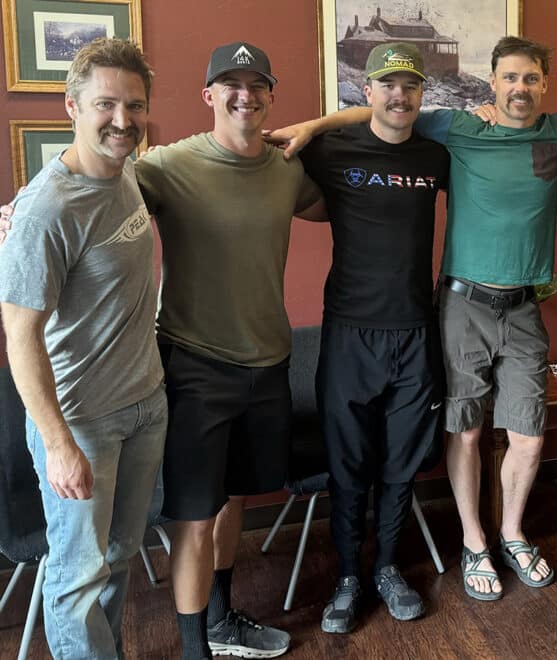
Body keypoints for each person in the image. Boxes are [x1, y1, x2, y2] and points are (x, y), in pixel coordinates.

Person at [266, 35, 557, 601]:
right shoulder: (458, 127)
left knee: (529, 438)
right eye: (509, 78)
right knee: (464, 432)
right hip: (462, 305)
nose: (520, 88)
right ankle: (474, 543)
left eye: (530, 78)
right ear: (492, 82)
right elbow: (385, 106)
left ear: (544, 84)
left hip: (524, 309)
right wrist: (313, 128)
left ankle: (511, 533)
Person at [135, 42, 325, 659]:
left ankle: (220, 619)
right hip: (194, 365)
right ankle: (195, 649)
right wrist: (23, 209)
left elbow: (345, 203)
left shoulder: (287, 169)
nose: (245, 95)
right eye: (230, 84)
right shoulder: (167, 165)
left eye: (257, 84)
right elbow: (91, 175)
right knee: (193, 517)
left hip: (268, 366)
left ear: (271, 96)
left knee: (234, 500)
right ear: (209, 95)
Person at [0, 37, 167, 658]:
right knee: (76, 577)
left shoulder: (125, 172)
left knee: (120, 557)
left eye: (134, 105)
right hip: (81, 422)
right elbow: (19, 337)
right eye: (105, 105)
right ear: (72, 105)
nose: (122, 120)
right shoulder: (45, 210)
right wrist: (59, 443)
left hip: (145, 404)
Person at [295, 42, 449, 633]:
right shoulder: (331, 150)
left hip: (414, 331)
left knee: (400, 464)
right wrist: (313, 123)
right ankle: (347, 577)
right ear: (367, 91)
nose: (399, 95)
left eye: (409, 86)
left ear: (421, 94)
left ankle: (386, 567)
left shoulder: (437, 155)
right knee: (348, 464)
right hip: (350, 336)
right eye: (387, 84)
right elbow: (253, 158)